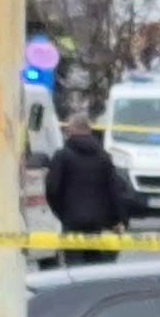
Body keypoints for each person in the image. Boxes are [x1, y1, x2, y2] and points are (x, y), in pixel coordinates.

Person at [45, 113, 130, 265]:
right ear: (89, 131)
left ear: (71, 130)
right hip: (98, 223)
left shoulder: (62, 156)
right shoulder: (104, 157)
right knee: (94, 267)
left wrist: (61, 212)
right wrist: (119, 220)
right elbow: (114, 190)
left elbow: (52, 189)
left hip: (72, 221)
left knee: (73, 267)